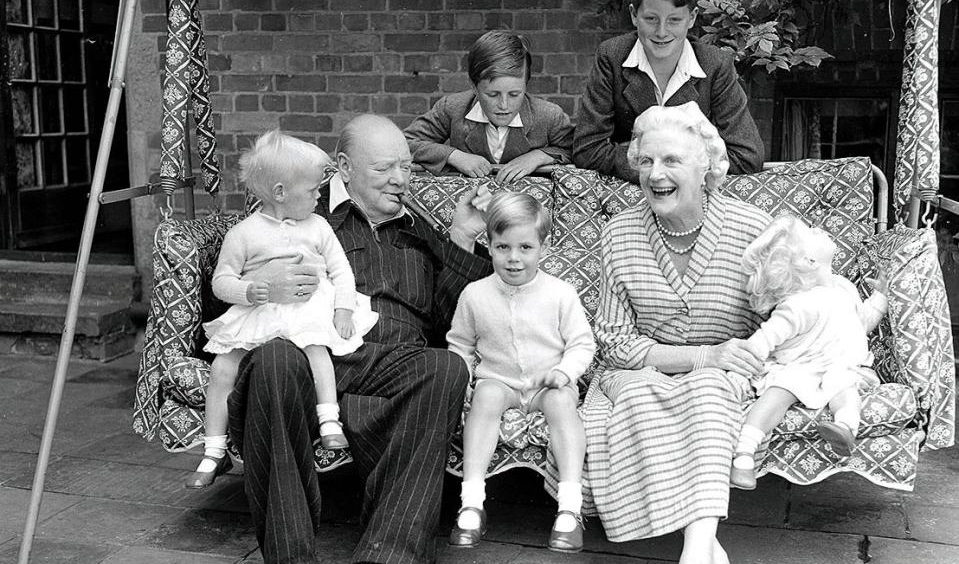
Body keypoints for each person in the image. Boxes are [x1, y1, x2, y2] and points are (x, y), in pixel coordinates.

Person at [225, 115, 494, 564]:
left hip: (394, 362)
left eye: (407, 168)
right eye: (384, 168)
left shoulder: (417, 229)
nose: (400, 180)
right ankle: (290, 557)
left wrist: (463, 236)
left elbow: (454, 317)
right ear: (344, 167)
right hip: (314, 357)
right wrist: (263, 283)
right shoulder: (301, 217)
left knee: (446, 367)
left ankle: (388, 555)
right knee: (273, 359)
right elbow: (234, 288)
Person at [566, 102, 769, 564]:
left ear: (707, 168)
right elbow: (615, 342)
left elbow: (774, 325)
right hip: (639, 372)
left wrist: (724, 360)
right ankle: (702, 547)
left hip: (726, 374)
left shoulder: (752, 230)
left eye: (672, 160)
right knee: (643, 393)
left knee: (710, 390)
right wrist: (702, 357)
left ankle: (696, 549)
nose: (656, 173)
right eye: (647, 161)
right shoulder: (619, 233)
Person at [185, 131, 378, 490]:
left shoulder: (318, 227)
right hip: (262, 309)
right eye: (312, 190)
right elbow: (221, 281)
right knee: (224, 367)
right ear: (279, 193)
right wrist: (249, 290)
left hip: (308, 308)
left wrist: (343, 310)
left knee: (316, 350)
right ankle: (213, 449)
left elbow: (341, 271)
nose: (320, 195)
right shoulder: (244, 234)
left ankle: (329, 421)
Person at [446, 192, 595, 553]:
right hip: (501, 380)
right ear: (490, 245)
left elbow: (583, 344)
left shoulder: (560, 293)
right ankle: (472, 502)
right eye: (503, 247)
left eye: (525, 247)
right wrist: (465, 378)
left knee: (562, 404)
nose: (514, 259)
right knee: (485, 397)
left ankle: (570, 508)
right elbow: (460, 345)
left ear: (542, 246)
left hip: (549, 382)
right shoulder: (475, 294)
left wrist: (564, 371)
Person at [729, 215, 888, 490]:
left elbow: (860, 325)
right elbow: (765, 339)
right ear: (809, 261)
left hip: (839, 365)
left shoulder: (843, 287)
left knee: (845, 385)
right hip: (800, 366)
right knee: (780, 390)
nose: (819, 228)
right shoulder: (797, 306)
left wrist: (881, 297)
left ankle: (845, 428)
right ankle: (744, 453)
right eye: (812, 231)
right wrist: (738, 367)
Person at [573, 0, 763, 178]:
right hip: (629, 194)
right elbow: (587, 150)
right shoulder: (612, 57)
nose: (662, 32)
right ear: (634, 15)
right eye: (651, 19)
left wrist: (669, 168)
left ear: (691, 18)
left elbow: (747, 157)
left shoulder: (715, 65)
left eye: (674, 20)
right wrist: (674, 162)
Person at [404, 29, 574, 183]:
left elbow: (577, 149)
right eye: (493, 94)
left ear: (526, 84)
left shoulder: (549, 115)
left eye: (515, 94)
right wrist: (454, 156)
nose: (504, 105)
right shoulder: (452, 108)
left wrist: (538, 157)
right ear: (474, 86)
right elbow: (405, 143)